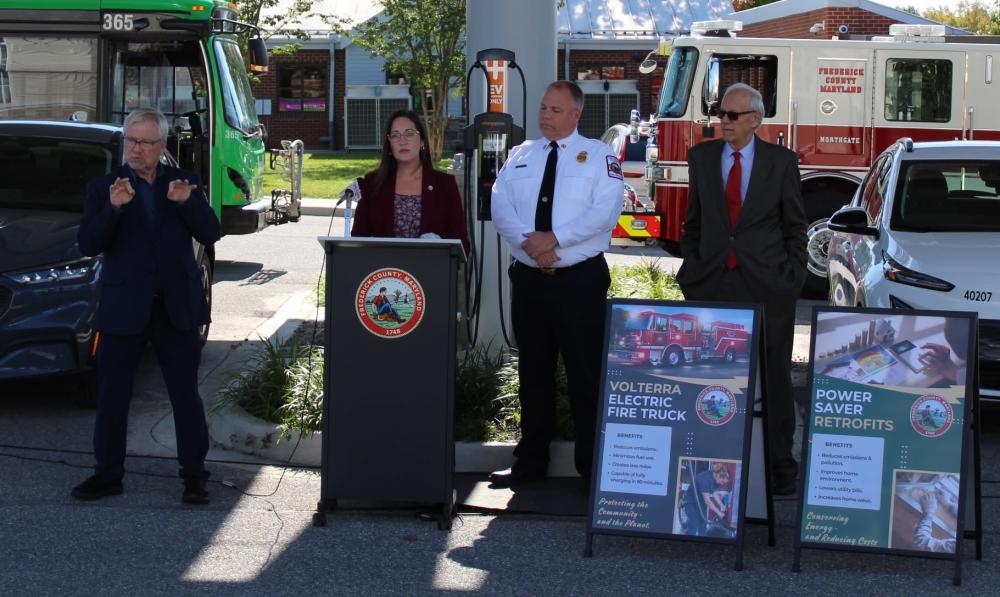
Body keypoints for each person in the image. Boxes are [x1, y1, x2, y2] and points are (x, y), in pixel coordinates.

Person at [72, 108, 220, 505]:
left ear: (162, 146)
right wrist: (114, 207)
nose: (135, 149)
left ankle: (194, 476)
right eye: (130, 140)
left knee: (184, 395)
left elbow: (211, 232)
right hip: (126, 306)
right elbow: (89, 243)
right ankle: (108, 474)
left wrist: (188, 204)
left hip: (176, 308)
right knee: (113, 396)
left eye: (144, 142)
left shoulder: (184, 182)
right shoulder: (105, 187)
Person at [489, 80, 624, 486]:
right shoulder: (521, 154)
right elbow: (499, 203)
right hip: (530, 279)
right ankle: (529, 463)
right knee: (533, 372)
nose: (546, 116)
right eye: (544, 108)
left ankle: (591, 470)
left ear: (576, 115)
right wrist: (531, 244)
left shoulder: (600, 157)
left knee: (585, 374)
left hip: (578, 282)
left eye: (556, 110)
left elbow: (605, 212)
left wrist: (554, 240)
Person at [676, 83, 808, 496]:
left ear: (756, 119)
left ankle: (779, 466)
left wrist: (791, 278)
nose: (724, 122)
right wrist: (693, 268)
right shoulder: (701, 158)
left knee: (773, 378)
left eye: (733, 116)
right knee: (709, 378)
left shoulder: (781, 162)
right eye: (721, 114)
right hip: (712, 283)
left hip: (767, 286)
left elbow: (795, 227)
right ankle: (709, 459)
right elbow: (694, 221)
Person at [351, 109, 469, 253]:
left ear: (422, 142)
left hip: (431, 273)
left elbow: (462, 245)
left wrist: (439, 247)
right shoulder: (372, 183)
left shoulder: (445, 185)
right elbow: (358, 240)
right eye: (395, 135)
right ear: (389, 145)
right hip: (384, 272)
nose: (402, 141)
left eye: (409, 134)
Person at [683, 463, 731, 536]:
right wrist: (719, 512)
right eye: (722, 482)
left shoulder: (715, 479)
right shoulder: (704, 479)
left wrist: (721, 504)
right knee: (694, 525)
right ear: (718, 475)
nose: (722, 484)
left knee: (703, 525)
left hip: (700, 502)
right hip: (690, 501)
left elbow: (714, 493)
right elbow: (707, 501)